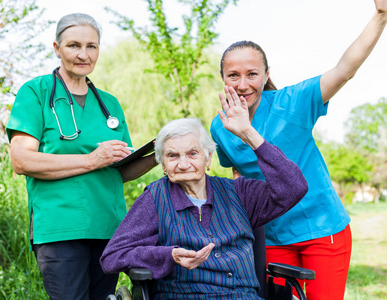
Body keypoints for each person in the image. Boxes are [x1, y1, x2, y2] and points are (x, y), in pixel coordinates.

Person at [210, 1, 387, 299]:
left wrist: (381, 16)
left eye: (252, 74)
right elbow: (238, 174)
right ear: (223, 78)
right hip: (272, 238)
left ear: (267, 73)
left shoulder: (294, 102)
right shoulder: (220, 127)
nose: (243, 84)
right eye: (233, 75)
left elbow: (344, 69)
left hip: (322, 230)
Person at [6, 13, 157, 300]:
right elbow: (22, 161)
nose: (83, 54)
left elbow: (119, 171)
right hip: (60, 229)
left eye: (92, 46)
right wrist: (92, 159)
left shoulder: (109, 104)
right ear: (56, 48)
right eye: (74, 45)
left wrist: (160, 153)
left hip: (108, 229)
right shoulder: (35, 93)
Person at [100, 95, 309, 300]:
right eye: (172, 156)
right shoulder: (154, 199)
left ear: (208, 158)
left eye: (192, 153)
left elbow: (294, 187)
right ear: (163, 165)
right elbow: (112, 257)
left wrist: (248, 134)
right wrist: (168, 256)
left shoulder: (239, 192)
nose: (183, 164)